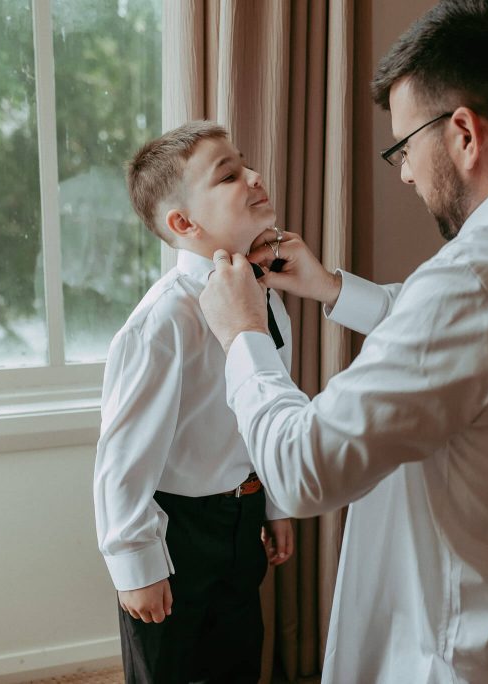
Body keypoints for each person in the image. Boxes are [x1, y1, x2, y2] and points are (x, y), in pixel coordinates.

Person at [201, 0, 488, 682]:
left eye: (405, 147)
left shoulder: (476, 281)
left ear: (463, 132)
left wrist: (244, 336)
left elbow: (302, 467)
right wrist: (330, 289)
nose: (405, 172)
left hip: (476, 653)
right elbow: (478, 349)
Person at [93, 120, 294, 684]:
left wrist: (273, 505)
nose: (254, 176)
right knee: (167, 668)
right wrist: (135, 564)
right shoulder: (163, 323)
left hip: (241, 513)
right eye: (229, 174)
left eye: (245, 162)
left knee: (236, 659)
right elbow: (123, 457)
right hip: (175, 527)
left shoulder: (266, 297)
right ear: (184, 223)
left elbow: (269, 408)